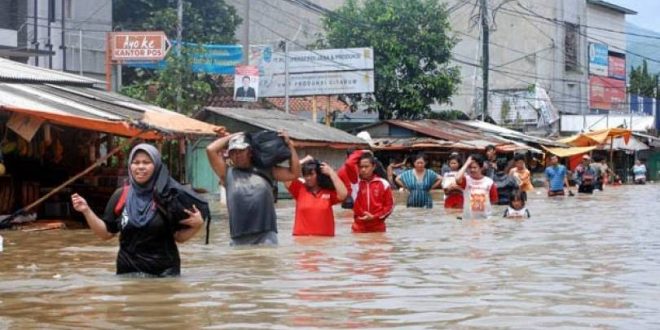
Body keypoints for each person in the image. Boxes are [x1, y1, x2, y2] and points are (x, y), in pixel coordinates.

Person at [70, 144, 204, 277]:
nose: (140, 167)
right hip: (127, 274)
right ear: (130, 166)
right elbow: (106, 233)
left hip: (164, 276)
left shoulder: (168, 195)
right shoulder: (121, 195)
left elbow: (178, 237)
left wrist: (197, 226)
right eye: (136, 162)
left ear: (156, 165)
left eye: (146, 162)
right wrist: (86, 210)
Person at [206, 131, 300, 246]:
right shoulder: (227, 173)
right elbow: (210, 149)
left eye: (241, 151)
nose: (237, 155)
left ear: (249, 152)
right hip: (238, 237)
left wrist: (290, 145)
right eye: (233, 152)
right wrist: (236, 135)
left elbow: (294, 173)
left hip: (265, 236)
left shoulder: (267, 170)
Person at [285, 158, 347, 236]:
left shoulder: (328, 193)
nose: (308, 178)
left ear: (319, 174)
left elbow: (343, 195)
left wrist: (331, 173)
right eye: (305, 175)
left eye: (311, 174)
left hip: (325, 243)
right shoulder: (300, 189)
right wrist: (303, 161)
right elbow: (286, 177)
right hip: (301, 243)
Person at [350, 153, 394, 233]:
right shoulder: (355, 184)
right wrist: (362, 150)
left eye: (366, 167)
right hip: (359, 227)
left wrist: (374, 217)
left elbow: (389, 207)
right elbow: (348, 164)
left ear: (373, 167)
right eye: (361, 167)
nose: (363, 169)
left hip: (378, 227)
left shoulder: (383, 183)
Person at [455, 154, 499, 219]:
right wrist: (466, 163)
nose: (472, 170)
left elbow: (494, 201)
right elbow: (457, 178)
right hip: (468, 219)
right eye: (470, 168)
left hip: (485, 219)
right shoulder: (466, 180)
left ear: (481, 168)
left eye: (475, 167)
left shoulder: (489, 182)